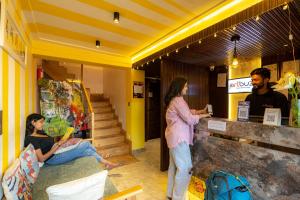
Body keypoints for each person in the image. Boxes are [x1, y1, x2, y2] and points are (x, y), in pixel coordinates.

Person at [164, 77, 210, 200]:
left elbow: (187, 112)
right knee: (185, 168)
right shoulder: (178, 100)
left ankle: (170, 194)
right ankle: (178, 197)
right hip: (179, 139)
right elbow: (189, 118)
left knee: (174, 167)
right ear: (179, 88)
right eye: (185, 86)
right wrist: (203, 115)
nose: (187, 88)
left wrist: (200, 111)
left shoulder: (174, 100)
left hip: (173, 138)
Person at [24, 113, 118, 168]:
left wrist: (62, 142)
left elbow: (51, 144)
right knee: (85, 144)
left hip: (58, 150)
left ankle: (107, 163)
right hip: (53, 158)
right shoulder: (31, 139)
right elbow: (42, 158)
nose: (43, 124)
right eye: (41, 122)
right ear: (33, 122)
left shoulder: (41, 133)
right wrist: (57, 146)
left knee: (87, 150)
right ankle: (101, 155)